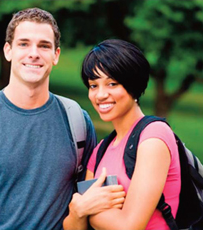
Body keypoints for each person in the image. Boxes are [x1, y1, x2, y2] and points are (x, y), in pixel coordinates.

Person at [0, 8, 125, 230]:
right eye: (23, 44)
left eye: (44, 45)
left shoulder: (77, 122)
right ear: (8, 51)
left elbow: (88, 205)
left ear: (56, 55)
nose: (33, 53)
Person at [63, 39, 181, 230]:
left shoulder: (153, 136)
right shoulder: (100, 150)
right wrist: (78, 211)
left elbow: (129, 226)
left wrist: (86, 210)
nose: (100, 95)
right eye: (93, 85)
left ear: (133, 85)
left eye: (112, 84)